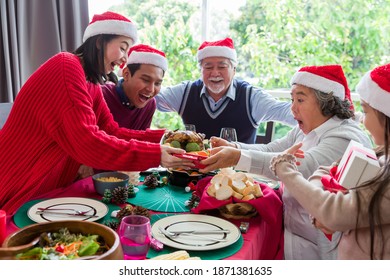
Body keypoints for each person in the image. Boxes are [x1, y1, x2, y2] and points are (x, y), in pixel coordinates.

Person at [0, 11, 192, 215]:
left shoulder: (90, 83)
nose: (124, 59)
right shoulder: (66, 65)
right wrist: (156, 154)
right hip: (17, 182)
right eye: (123, 48)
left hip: (46, 189)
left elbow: (111, 130)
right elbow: (87, 141)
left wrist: (167, 138)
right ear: (100, 41)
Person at [200, 65, 372, 259]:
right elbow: (272, 150)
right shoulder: (307, 128)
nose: (292, 108)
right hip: (290, 232)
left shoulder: (344, 138)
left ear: (326, 102)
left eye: (300, 99)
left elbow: (300, 167)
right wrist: (235, 147)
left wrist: (236, 157)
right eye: (292, 99)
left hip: (316, 249)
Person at [270, 63, 390, 259]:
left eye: (366, 112)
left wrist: (284, 169)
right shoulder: (382, 155)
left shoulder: (346, 137)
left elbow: (333, 212)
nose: (362, 120)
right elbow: (329, 172)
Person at [154, 37, 296, 144]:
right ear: (201, 71)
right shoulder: (186, 92)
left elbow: (287, 112)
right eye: (208, 67)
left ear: (234, 70)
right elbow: (151, 97)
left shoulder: (250, 97)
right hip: (193, 174)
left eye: (222, 67)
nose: (215, 73)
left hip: (238, 178)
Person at [78, 44, 168, 178]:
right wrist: (82, 162)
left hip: (121, 176)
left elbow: (140, 142)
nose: (151, 89)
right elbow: (80, 138)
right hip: (88, 175)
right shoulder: (100, 94)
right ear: (126, 74)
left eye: (158, 83)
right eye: (145, 80)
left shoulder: (149, 105)